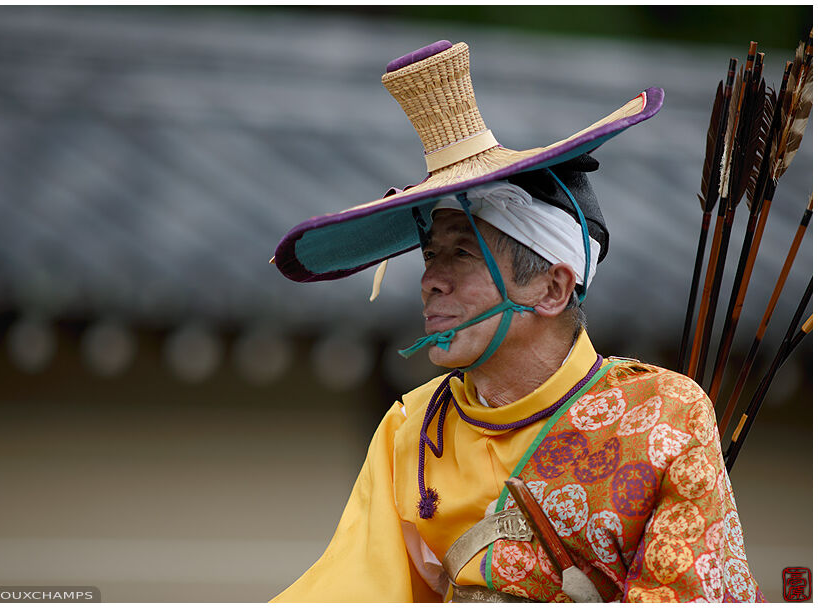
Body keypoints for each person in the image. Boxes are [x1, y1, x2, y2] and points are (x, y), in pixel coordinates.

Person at [270, 40, 763, 602]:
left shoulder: (663, 416)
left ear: (552, 288)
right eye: (431, 254)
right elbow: (353, 589)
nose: (431, 279)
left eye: (464, 253)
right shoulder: (411, 428)